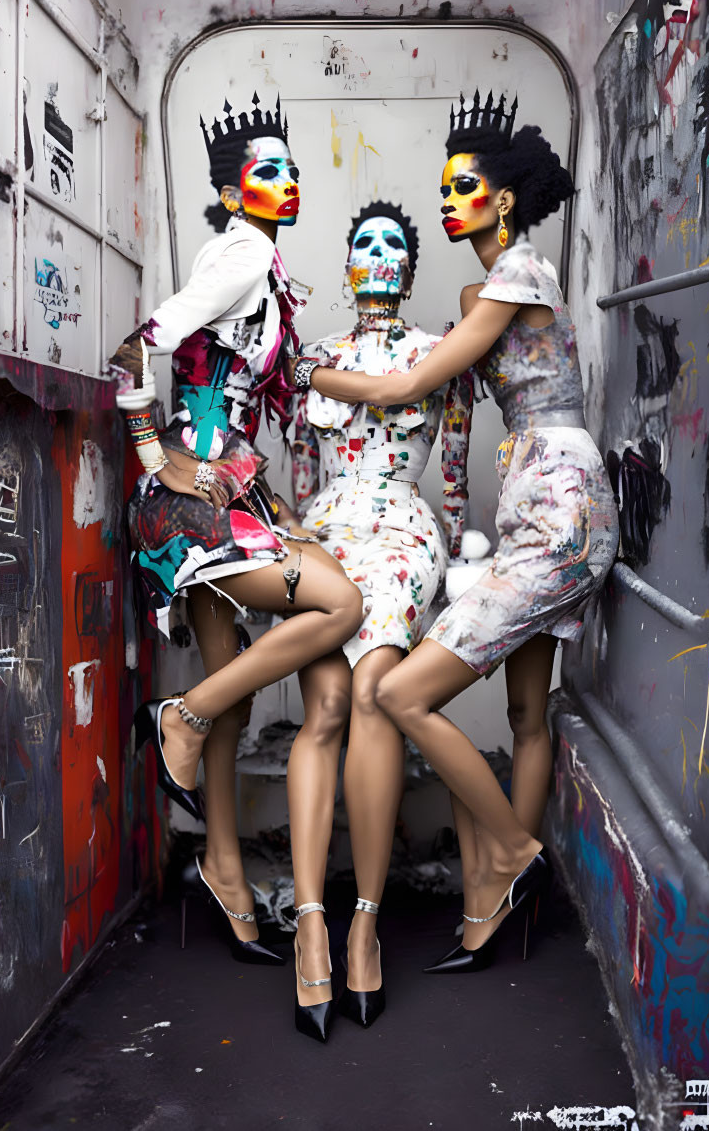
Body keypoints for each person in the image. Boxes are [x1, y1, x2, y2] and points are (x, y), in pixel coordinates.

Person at [291, 92, 619, 972]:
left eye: (462, 185)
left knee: (399, 694)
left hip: (558, 507)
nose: (445, 199)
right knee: (525, 712)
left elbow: (406, 389)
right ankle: (492, 907)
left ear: (503, 198)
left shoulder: (516, 272)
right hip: (535, 504)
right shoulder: (492, 285)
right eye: (442, 186)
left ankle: (512, 855)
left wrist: (317, 370)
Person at [108, 93, 362, 966]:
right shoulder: (245, 248)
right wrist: (153, 458)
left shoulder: (257, 261)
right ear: (230, 187)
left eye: (291, 170)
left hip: (225, 494)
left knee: (241, 685)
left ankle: (221, 864)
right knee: (338, 604)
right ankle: (177, 717)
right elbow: (139, 344)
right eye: (266, 170)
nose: (286, 182)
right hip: (190, 499)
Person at [282, 202, 472, 1038]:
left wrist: (465, 556)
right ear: (349, 258)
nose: (379, 252)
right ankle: (312, 920)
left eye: (395, 241)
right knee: (322, 705)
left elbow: (456, 469)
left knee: (370, 692)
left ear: (410, 262)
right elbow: (293, 470)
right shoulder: (311, 355)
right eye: (364, 240)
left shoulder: (439, 355)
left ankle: (365, 919)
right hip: (324, 529)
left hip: (401, 528)